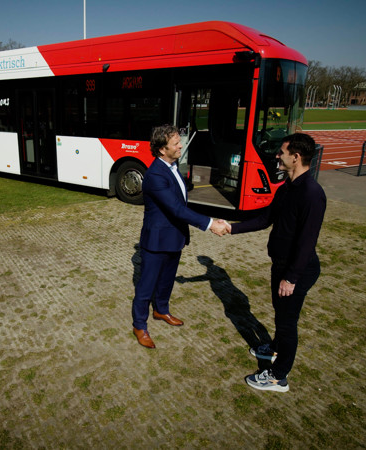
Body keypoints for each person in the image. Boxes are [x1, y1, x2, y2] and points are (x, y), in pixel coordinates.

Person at [217, 133, 326, 392]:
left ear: (296, 157)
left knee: (287, 323)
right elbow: (265, 219)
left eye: (282, 152)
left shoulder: (312, 194)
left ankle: (278, 376)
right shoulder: (287, 187)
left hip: (296, 271)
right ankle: (274, 349)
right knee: (280, 315)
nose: (277, 156)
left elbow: (307, 242)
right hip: (281, 265)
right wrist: (230, 228)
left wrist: (291, 278)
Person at [132, 124, 229, 349]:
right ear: (161, 150)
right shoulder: (155, 175)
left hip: (174, 237)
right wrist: (210, 223)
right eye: (175, 143)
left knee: (166, 281)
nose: (180, 146)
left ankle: (161, 311)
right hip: (156, 243)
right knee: (146, 287)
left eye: (179, 141)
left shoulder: (173, 166)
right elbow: (177, 209)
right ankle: (139, 325)